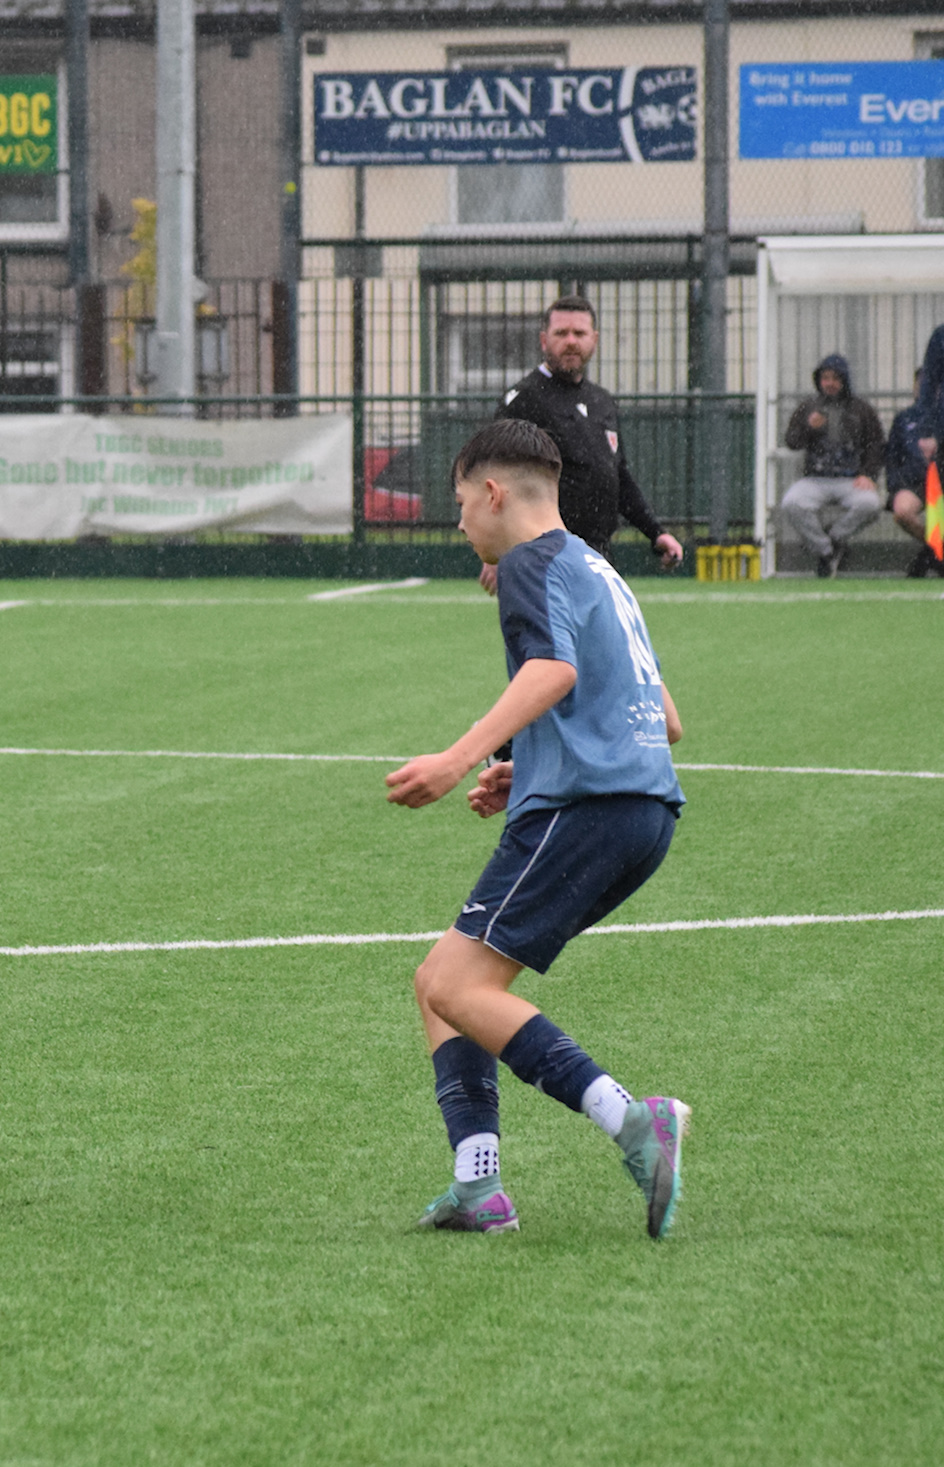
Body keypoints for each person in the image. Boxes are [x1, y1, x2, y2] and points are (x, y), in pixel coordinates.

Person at [386, 419, 690, 1240]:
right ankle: (476, 1183)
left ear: (493, 493)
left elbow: (552, 672)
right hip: (639, 810)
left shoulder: (525, 562)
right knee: (442, 983)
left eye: (458, 504)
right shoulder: (600, 567)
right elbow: (663, 720)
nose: (458, 525)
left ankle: (633, 1119)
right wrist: (535, 765)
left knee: (456, 986)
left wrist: (458, 757)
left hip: (588, 813)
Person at [485, 295, 684, 593]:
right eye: (561, 333)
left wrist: (655, 532)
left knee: (601, 639)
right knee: (550, 640)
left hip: (599, 555)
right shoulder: (523, 399)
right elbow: (493, 477)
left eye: (579, 333)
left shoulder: (601, 401)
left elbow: (617, 476)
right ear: (543, 340)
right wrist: (494, 549)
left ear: (594, 339)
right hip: (545, 554)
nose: (571, 341)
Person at [779, 353, 885, 577]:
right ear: (818, 380)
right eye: (825, 378)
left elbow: (876, 445)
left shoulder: (862, 409)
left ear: (844, 380)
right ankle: (826, 552)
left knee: (870, 505)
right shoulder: (808, 407)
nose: (830, 383)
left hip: (851, 479)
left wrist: (868, 475)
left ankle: (835, 538)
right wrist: (808, 427)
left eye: (835, 378)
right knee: (792, 503)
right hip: (815, 479)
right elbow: (791, 442)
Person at [884, 366, 939, 576]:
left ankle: (929, 556)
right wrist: (895, 484)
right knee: (903, 512)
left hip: (941, 482)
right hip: (915, 482)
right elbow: (892, 456)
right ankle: (936, 551)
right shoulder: (904, 419)